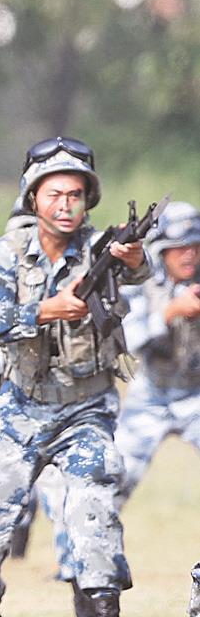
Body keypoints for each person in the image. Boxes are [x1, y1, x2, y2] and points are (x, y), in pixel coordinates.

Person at [0, 136, 147, 617]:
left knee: (93, 509)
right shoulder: (6, 253)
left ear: (88, 200)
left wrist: (135, 256)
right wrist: (42, 310)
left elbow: (138, 270)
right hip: (21, 407)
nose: (65, 204)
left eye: (76, 194)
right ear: (34, 198)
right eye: (55, 193)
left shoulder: (102, 247)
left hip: (87, 406)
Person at [113, 202, 200, 501]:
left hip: (196, 393)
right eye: (179, 247)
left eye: (194, 246)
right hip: (151, 392)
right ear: (162, 250)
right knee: (114, 482)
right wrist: (171, 312)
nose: (189, 253)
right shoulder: (142, 281)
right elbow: (132, 340)